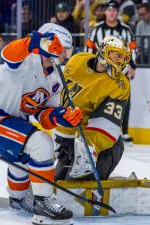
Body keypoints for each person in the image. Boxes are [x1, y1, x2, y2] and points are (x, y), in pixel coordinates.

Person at [0, 23, 82, 225]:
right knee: (41, 144)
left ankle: (18, 198)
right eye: (64, 49)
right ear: (51, 45)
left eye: (68, 50)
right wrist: (34, 42)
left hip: (12, 122)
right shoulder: (27, 59)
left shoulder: (56, 78)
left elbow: (43, 114)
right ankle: (43, 205)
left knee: (22, 158)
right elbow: (8, 54)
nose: (66, 55)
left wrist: (61, 116)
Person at [54, 35, 131, 181]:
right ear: (102, 51)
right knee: (56, 182)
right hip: (70, 138)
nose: (119, 61)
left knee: (80, 185)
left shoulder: (120, 84)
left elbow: (107, 126)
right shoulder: (78, 60)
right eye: (115, 54)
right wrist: (61, 135)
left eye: (123, 57)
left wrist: (86, 148)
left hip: (101, 147)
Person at [85, 0, 137, 145]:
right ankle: (92, 127)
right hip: (101, 71)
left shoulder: (126, 30)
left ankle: (124, 131)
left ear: (117, 12)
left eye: (114, 10)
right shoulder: (96, 29)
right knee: (98, 99)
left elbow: (132, 50)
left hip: (121, 71)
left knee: (123, 100)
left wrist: (132, 67)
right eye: (109, 10)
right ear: (105, 12)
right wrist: (90, 67)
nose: (112, 13)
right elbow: (89, 50)